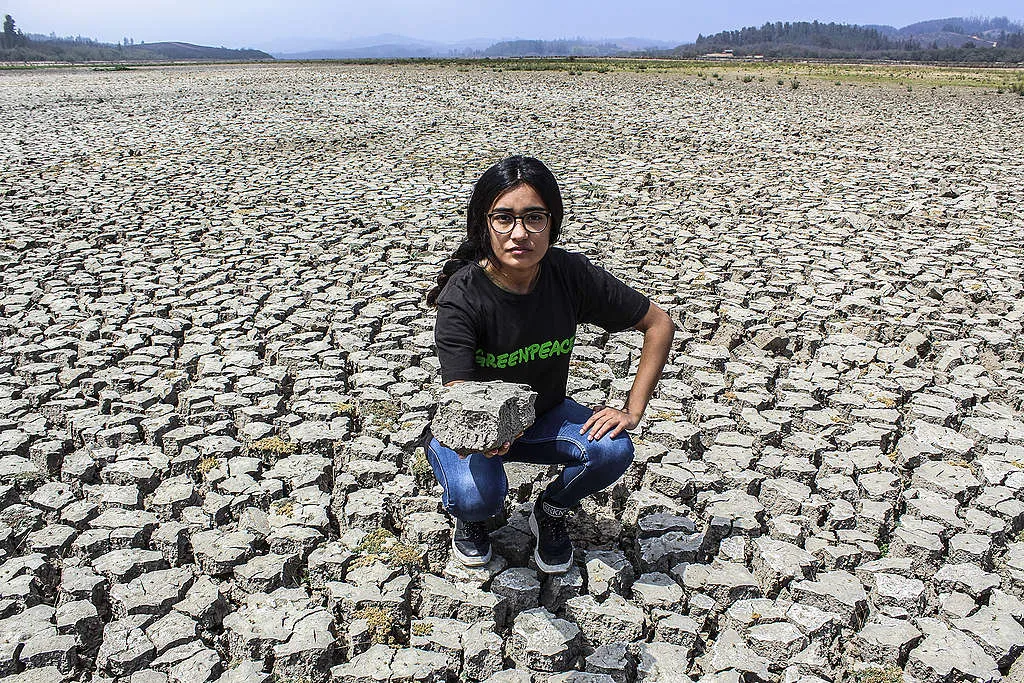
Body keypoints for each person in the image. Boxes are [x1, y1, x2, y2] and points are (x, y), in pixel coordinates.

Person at [424, 155, 674, 573]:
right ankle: (468, 518)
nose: (519, 233)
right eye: (503, 218)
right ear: (483, 225)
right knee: (477, 497)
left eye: (534, 218)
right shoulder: (463, 296)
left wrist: (632, 410)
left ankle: (552, 509)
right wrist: (487, 440)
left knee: (612, 449)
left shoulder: (567, 274)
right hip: (475, 428)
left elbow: (658, 323)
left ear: (552, 223)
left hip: (544, 417)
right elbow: (459, 393)